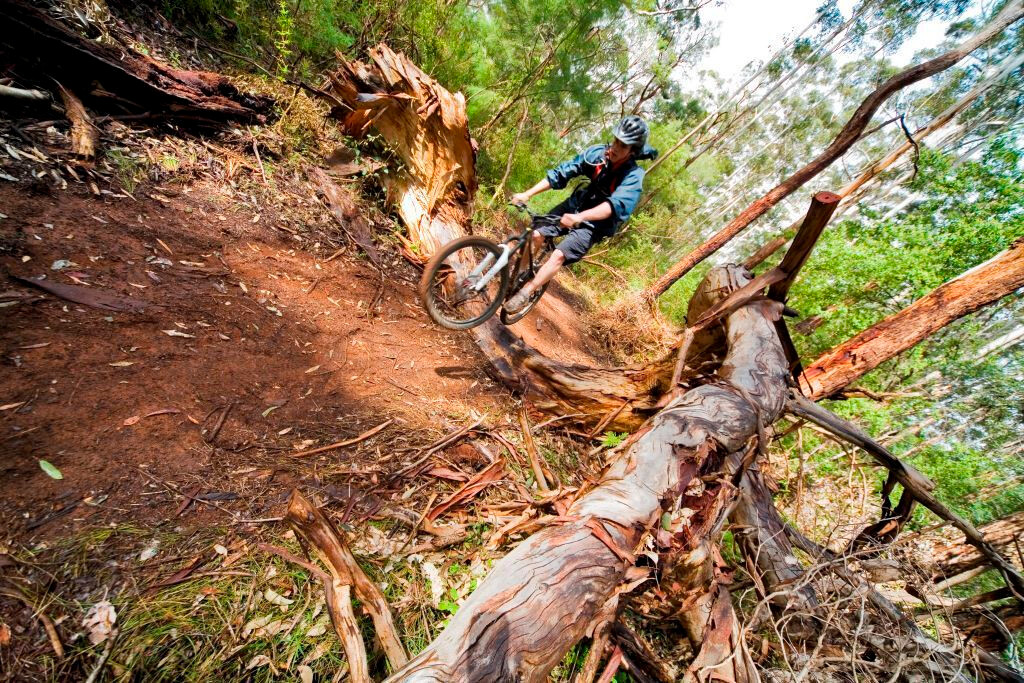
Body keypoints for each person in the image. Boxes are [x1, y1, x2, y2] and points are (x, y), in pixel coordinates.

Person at [504, 115, 656, 314]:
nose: (616, 147)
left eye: (624, 145)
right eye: (616, 140)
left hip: (595, 225)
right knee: (536, 234)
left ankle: (526, 293)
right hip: (577, 205)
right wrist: (527, 194)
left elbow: (614, 206)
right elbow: (561, 173)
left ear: (633, 151)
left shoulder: (633, 176)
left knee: (558, 255)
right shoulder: (597, 155)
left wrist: (580, 218)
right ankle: (517, 278)